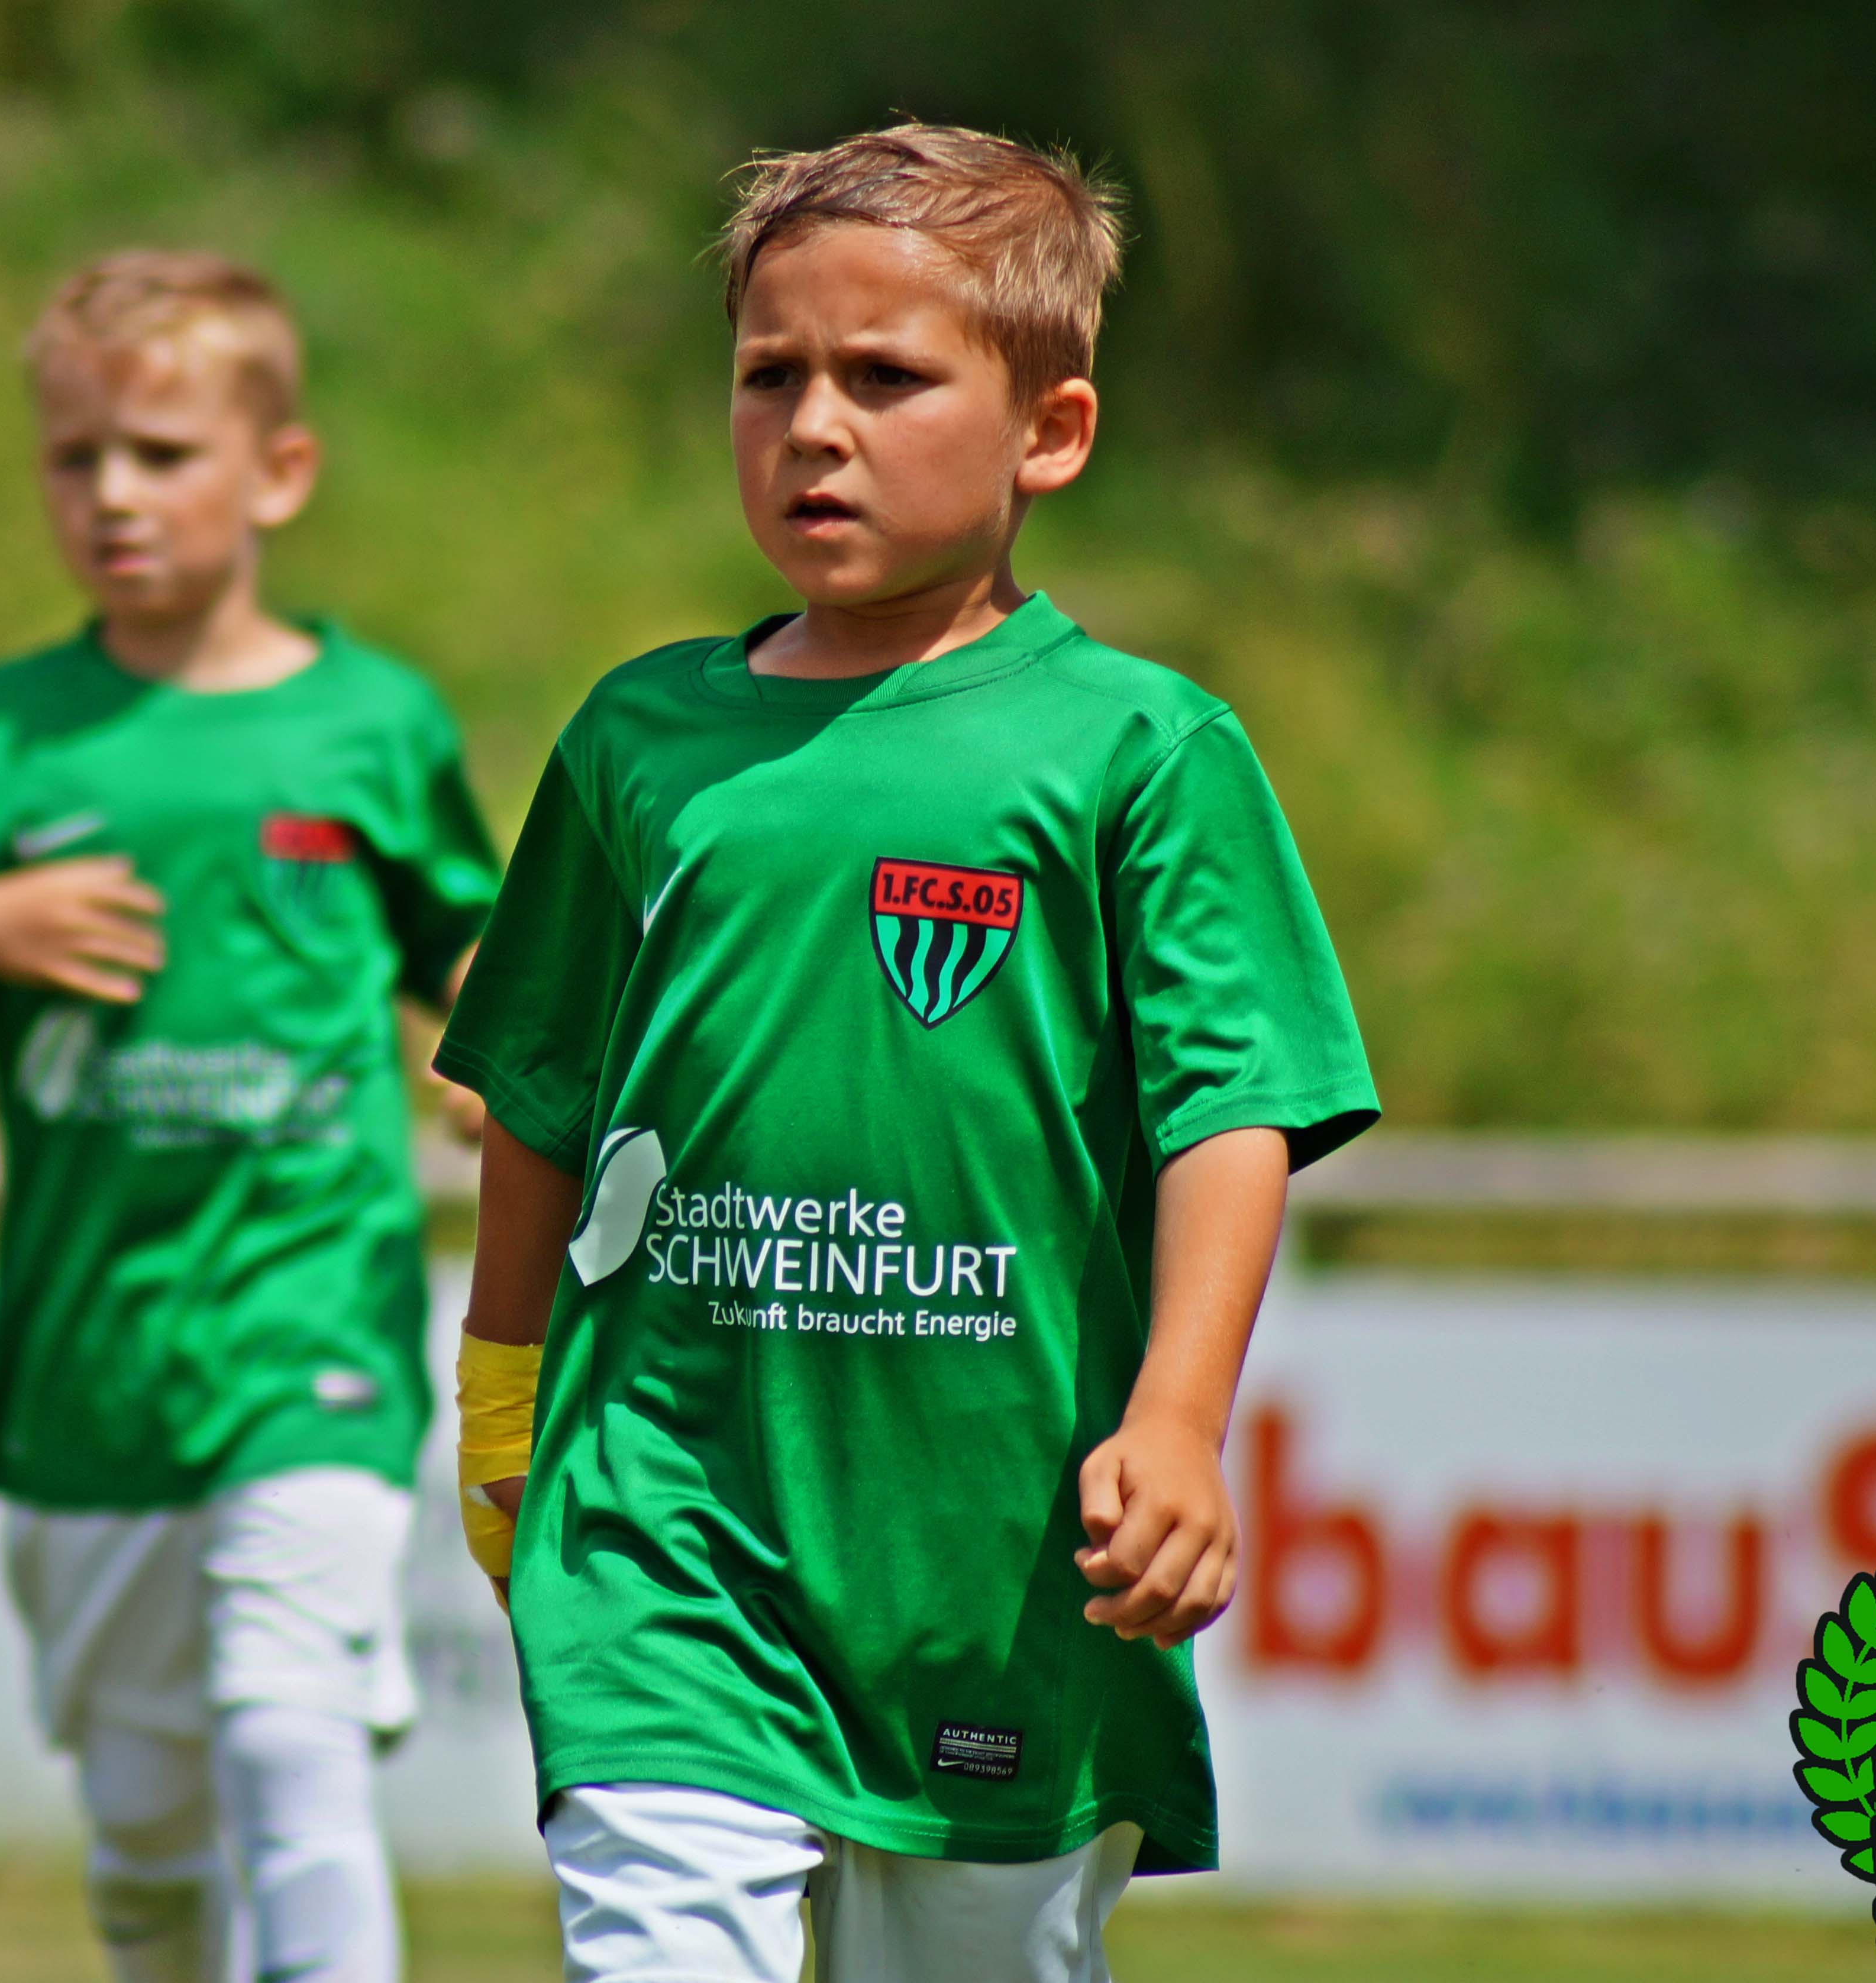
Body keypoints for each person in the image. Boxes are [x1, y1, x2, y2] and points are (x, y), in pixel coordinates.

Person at [436, 127, 1378, 1982]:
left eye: (884, 378)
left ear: (1052, 432)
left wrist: (1177, 1422)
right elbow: (537, 1098)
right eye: (768, 375)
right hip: (665, 1524)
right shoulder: (637, 740)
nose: (812, 427)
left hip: (992, 1558)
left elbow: (1233, 1109)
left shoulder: (1141, 752)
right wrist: (498, 1391)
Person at [0, 250, 499, 1983]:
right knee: (142, 1831)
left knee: (291, 1738)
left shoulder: (370, 724)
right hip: (92, 1359)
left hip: (311, 1322)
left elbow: (477, 960)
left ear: (279, 472)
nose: (114, 495)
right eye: (77, 458)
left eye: (162, 453)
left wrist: (497, 1068)